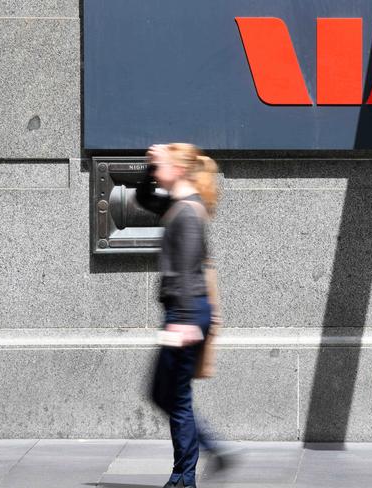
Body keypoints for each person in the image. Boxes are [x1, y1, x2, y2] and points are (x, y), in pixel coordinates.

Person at [136, 143, 224, 488]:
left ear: (180, 170)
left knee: (174, 396)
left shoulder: (188, 213)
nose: (157, 174)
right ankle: (208, 453)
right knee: (164, 393)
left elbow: (188, 270)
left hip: (186, 311)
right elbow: (144, 198)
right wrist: (150, 166)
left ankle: (185, 476)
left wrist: (183, 321)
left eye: (161, 168)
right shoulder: (176, 205)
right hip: (183, 310)